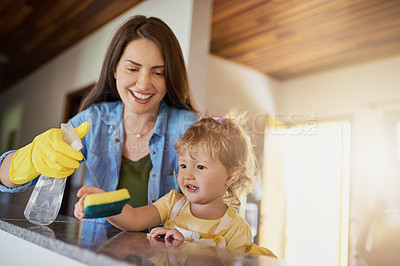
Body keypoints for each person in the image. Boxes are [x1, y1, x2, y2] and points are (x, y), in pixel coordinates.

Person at [0, 15, 198, 224]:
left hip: (167, 254)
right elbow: (2, 178)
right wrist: (30, 158)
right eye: (132, 69)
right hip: (95, 251)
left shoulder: (189, 127)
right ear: (114, 69)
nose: (144, 84)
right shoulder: (94, 120)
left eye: (158, 73)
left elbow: (215, 200)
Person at [74, 113, 276, 257]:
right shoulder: (172, 203)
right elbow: (134, 219)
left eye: (200, 167)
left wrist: (185, 246)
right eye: (183, 165)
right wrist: (104, 205)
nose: (188, 174)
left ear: (231, 176)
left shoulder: (236, 228)